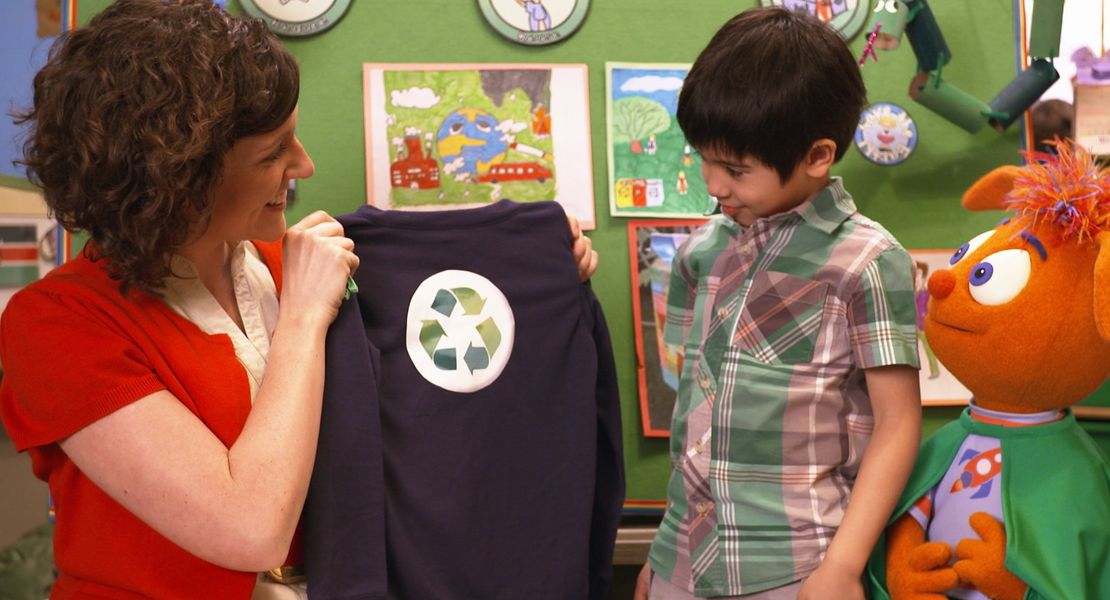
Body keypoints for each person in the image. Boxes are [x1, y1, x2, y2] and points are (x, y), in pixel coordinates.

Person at [0, 1, 597, 598]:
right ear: (177, 180)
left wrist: (540, 264)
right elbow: (249, 529)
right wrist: (305, 319)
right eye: (272, 153)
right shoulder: (58, 326)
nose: (304, 165)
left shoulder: (299, 263)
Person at [634, 7, 922, 600]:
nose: (714, 184)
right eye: (703, 158)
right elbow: (695, 416)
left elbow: (897, 424)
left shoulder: (868, 260)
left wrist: (843, 567)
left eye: (735, 169)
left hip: (798, 568)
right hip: (681, 563)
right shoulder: (698, 253)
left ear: (817, 156)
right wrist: (664, 555)